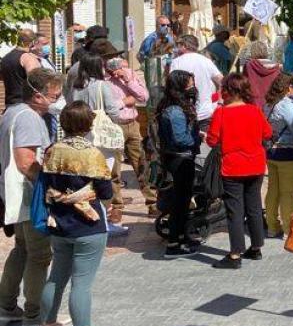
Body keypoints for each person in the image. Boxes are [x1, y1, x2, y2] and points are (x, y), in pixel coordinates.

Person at [33, 100, 118, 326]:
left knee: (56, 277)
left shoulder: (52, 150)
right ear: (88, 124)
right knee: (81, 282)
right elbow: (104, 192)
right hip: (88, 225)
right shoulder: (92, 154)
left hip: (58, 222)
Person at [0, 69, 61, 326]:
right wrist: (48, 186)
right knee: (39, 254)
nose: (56, 101)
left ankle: (6, 305)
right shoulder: (29, 118)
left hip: (14, 195)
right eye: (53, 96)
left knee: (22, 249)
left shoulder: (12, 112)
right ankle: (34, 313)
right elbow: (26, 162)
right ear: (38, 96)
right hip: (28, 196)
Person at [205, 73, 272, 269]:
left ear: (228, 91)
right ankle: (256, 246)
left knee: (235, 211)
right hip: (256, 164)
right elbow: (267, 133)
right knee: (254, 206)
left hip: (233, 166)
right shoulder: (255, 110)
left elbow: (212, 140)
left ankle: (235, 254)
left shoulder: (222, 113)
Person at [66, 50, 128, 228]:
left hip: (81, 135)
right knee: (103, 178)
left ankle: (87, 216)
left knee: (86, 180)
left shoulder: (76, 87)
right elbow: (113, 112)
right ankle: (102, 220)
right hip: (101, 140)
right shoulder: (102, 86)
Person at [155, 71, 202, 257]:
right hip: (180, 159)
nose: (193, 88)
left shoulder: (174, 106)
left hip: (179, 157)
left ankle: (180, 237)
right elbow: (181, 139)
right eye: (190, 84)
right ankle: (174, 243)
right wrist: (197, 138)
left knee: (182, 200)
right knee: (180, 202)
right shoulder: (174, 111)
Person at [105, 56, 152, 213]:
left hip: (132, 124)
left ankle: (152, 201)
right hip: (114, 126)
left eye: (125, 67)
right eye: (121, 68)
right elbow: (109, 105)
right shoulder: (105, 82)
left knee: (141, 163)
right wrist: (125, 102)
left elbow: (143, 97)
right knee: (115, 169)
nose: (124, 71)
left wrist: (129, 81)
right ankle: (117, 206)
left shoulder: (131, 76)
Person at [263, 74, 293, 240]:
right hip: (289, 152)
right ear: (289, 87)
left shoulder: (269, 103)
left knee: (273, 190)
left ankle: (272, 226)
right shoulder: (286, 105)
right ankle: (289, 228)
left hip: (272, 152)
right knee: (288, 193)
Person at [169, 35, 223, 127]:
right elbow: (222, 81)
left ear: (184, 46)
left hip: (183, 113)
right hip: (205, 113)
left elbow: (171, 85)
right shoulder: (206, 61)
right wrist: (220, 102)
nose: (177, 48)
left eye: (178, 45)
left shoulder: (176, 62)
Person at [1, 29, 44, 106]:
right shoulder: (27, 58)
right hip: (25, 105)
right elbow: (37, 82)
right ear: (33, 42)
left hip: (10, 104)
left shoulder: (5, 58)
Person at [241, 41, 282, 109]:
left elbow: (243, 84)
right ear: (266, 51)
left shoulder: (249, 66)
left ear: (253, 52)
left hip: (254, 104)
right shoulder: (276, 67)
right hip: (271, 105)